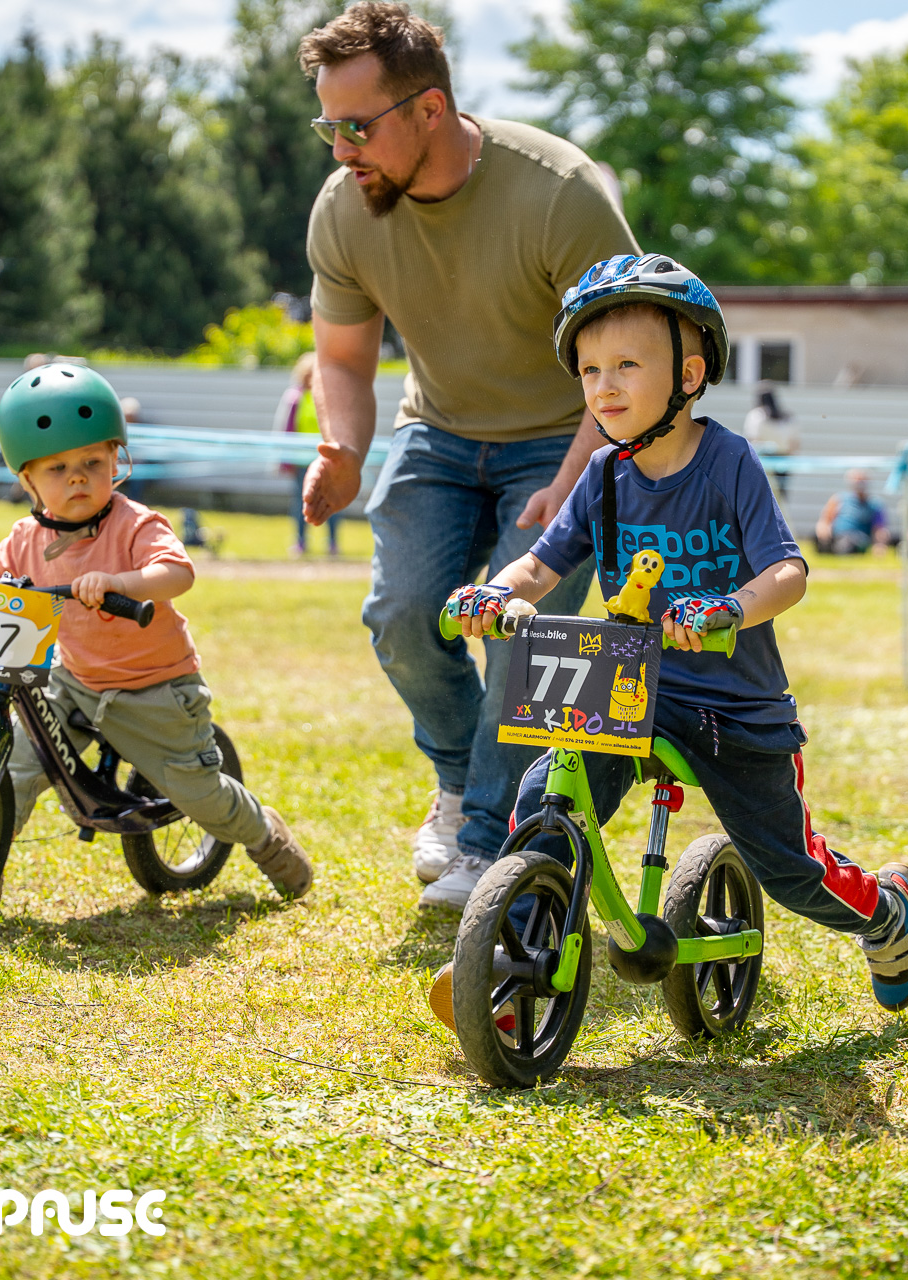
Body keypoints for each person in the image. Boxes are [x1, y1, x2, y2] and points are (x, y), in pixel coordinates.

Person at [434, 254, 908, 1015]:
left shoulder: (728, 461)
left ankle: (887, 910)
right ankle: (512, 954)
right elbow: (539, 564)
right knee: (546, 797)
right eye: (590, 369)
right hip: (628, 684)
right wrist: (493, 593)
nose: (604, 386)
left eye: (627, 365)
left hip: (733, 705)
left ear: (690, 375)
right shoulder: (602, 474)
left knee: (789, 869)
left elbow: (788, 571)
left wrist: (727, 608)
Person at [294, 3, 639, 910]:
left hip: (566, 437)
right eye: (329, 128)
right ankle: (458, 783)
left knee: (524, 637)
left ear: (430, 109)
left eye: (358, 126)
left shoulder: (559, 193)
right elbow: (342, 357)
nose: (342, 149)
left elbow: (632, 361)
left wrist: (572, 485)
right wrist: (343, 446)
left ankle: (488, 842)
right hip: (438, 432)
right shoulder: (344, 209)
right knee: (404, 616)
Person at [0, 363, 313, 903]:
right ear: (27, 480)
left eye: (92, 463)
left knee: (198, 794)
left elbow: (177, 572)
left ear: (117, 460)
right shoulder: (26, 538)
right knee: (18, 763)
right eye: (57, 468)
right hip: (74, 682)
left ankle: (266, 835)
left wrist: (121, 582)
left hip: (155, 689)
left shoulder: (135, 524)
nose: (77, 478)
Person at [275, 352, 340, 556]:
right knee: (302, 502)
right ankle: (301, 541)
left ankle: (332, 542)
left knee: (331, 501)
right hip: (301, 460)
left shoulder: (330, 396)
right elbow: (287, 428)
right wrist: (286, 459)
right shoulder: (295, 398)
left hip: (326, 459)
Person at [741, 381, 798, 498]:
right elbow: (794, 444)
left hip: (763, 461)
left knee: (762, 496)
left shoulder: (756, 415)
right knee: (780, 497)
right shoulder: (787, 418)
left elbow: (752, 439)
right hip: (784, 461)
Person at [814, 469, 889, 555]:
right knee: (820, 540)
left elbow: (879, 529)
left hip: (858, 538)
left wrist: (879, 545)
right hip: (837, 535)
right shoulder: (839, 499)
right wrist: (823, 531)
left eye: (862, 481)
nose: (859, 485)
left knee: (848, 543)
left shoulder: (874, 504)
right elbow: (825, 519)